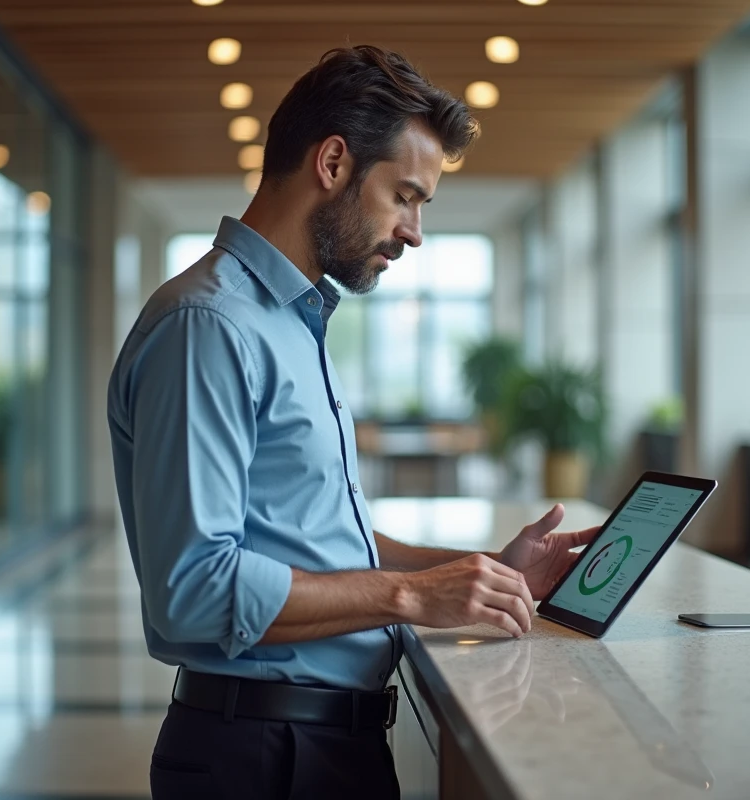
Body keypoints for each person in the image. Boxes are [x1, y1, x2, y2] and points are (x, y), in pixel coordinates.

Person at [108, 44, 599, 799]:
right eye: (405, 195)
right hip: (262, 758)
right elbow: (194, 588)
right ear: (333, 164)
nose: (414, 231)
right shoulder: (210, 327)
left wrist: (478, 572)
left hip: (321, 746)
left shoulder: (292, 320)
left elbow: (322, 540)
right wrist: (412, 597)